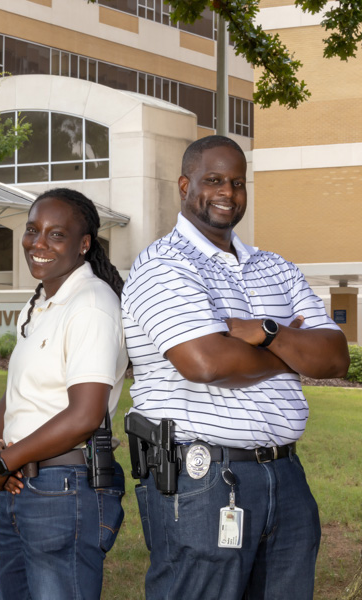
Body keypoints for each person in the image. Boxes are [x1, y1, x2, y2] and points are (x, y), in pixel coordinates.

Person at [121, 135, 350, 600]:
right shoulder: (162, 266)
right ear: (185, 185)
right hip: (202, 479)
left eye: (237, 183)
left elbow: (335, 357)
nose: (227, 192)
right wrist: (290, 354)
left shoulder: (277, 268)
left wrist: (267, 332)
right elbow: (205, 362)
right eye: (213, 180)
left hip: (285, 478)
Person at [0, 188, 128, 599]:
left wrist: (7, 458)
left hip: (64, 490)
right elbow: (16, 394)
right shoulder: (41, 304)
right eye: (32, 230)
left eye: (56, 234)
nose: (38, 243)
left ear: (84, 245)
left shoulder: (92, 303)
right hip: (22, 483)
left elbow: (85, 414)